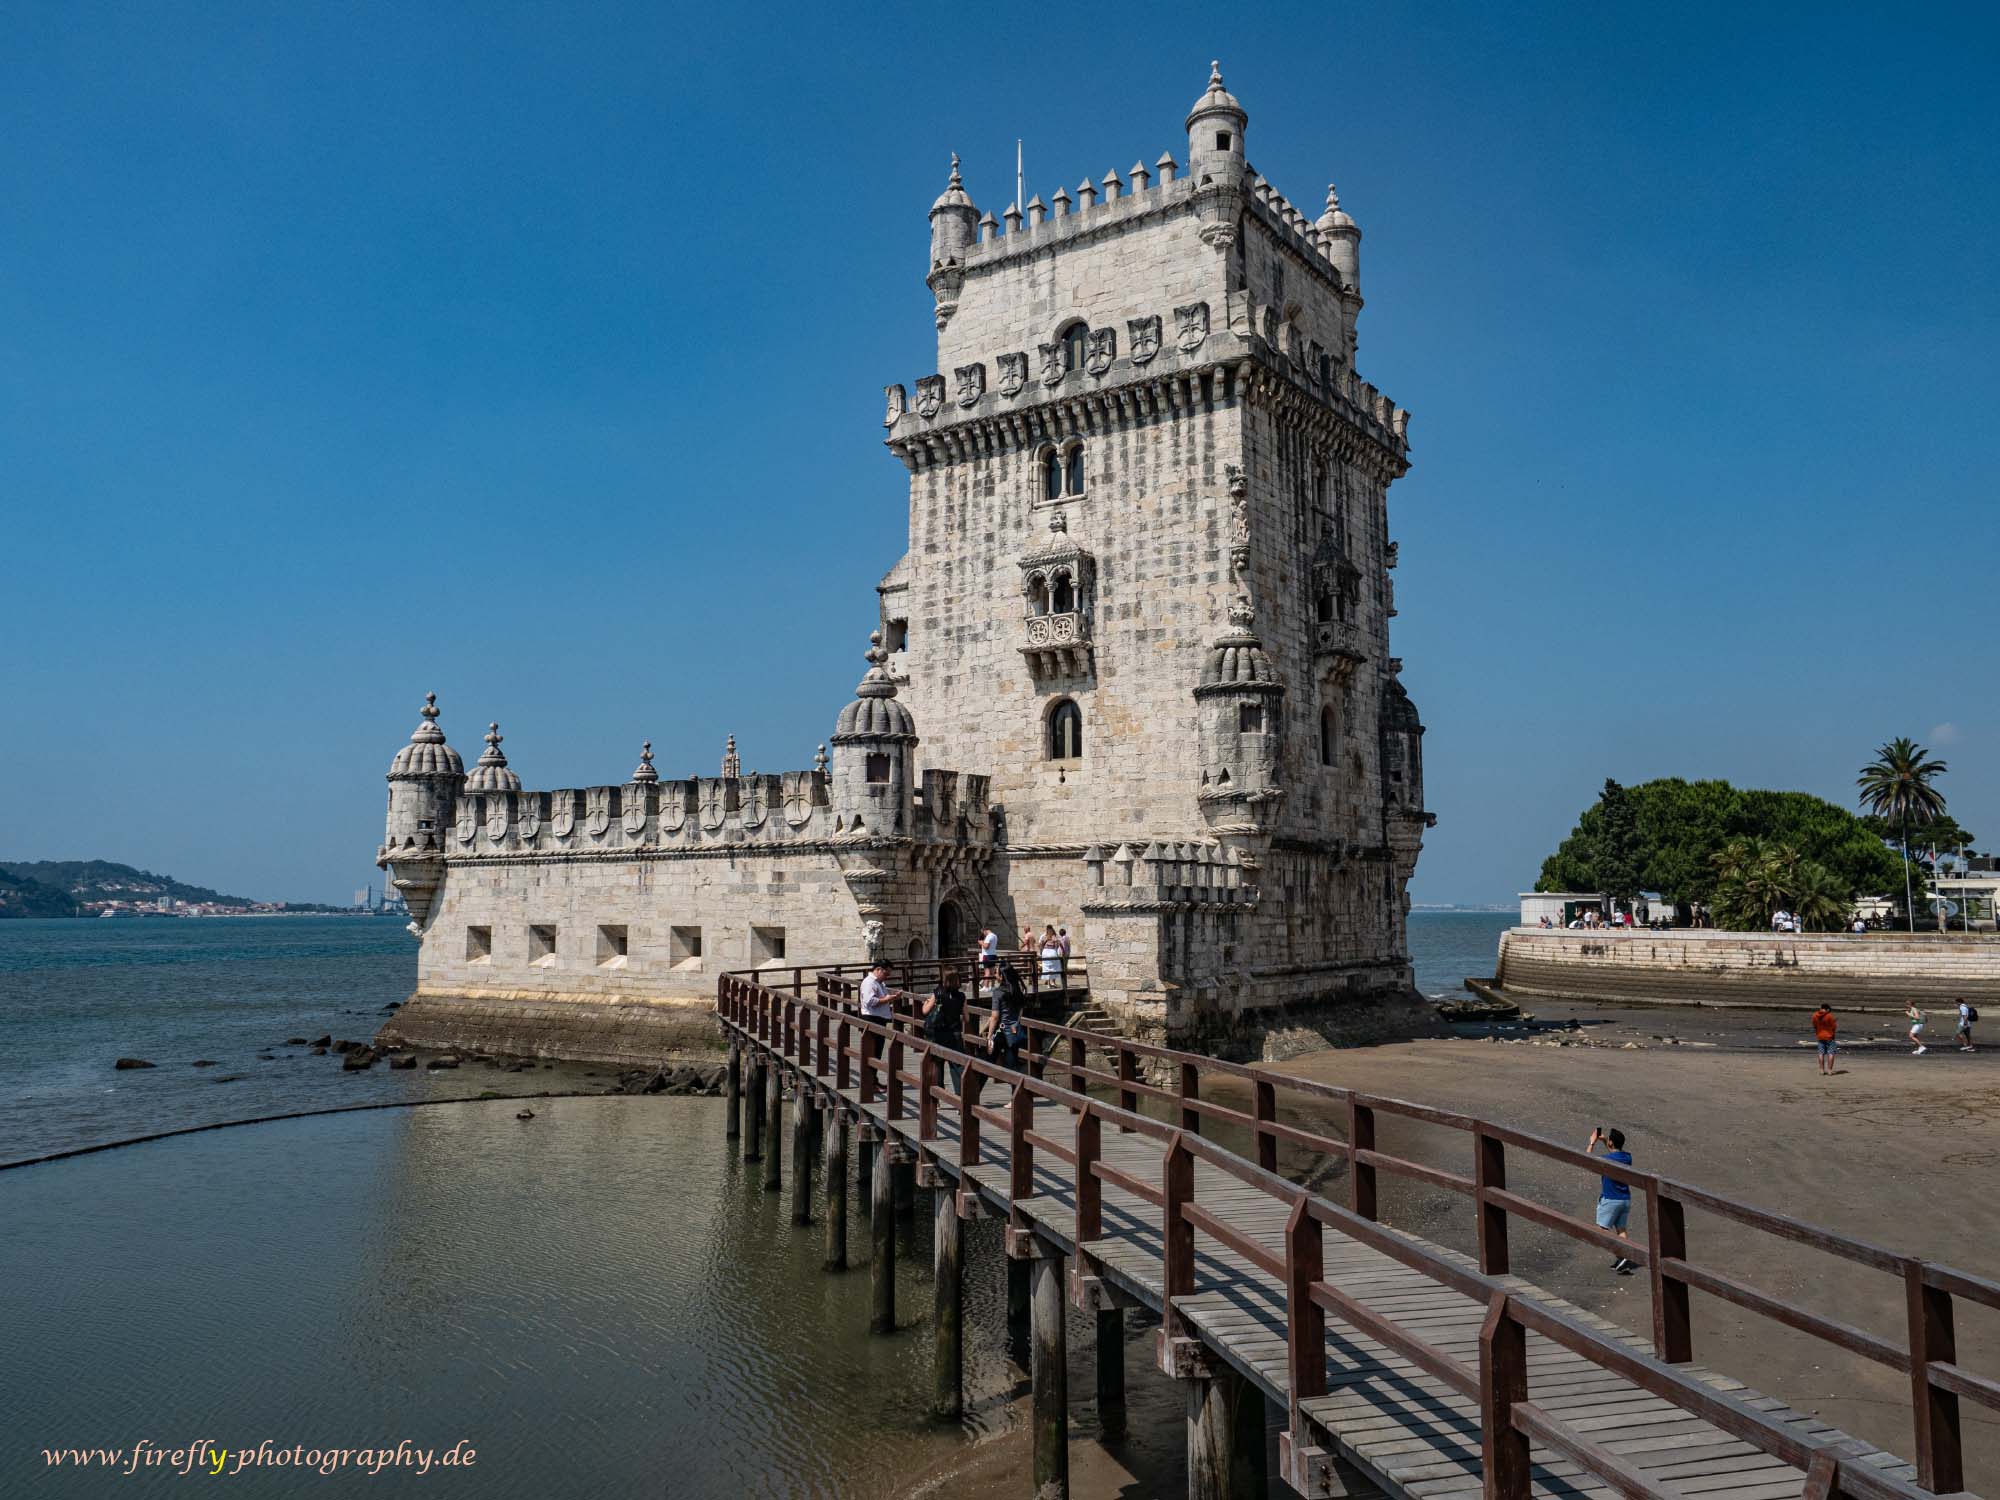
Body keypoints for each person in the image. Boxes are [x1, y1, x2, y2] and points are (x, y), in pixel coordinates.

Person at [1585, 1126, 1635, 1274]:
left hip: (1610, 1200)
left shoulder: (1607, 1159)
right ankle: (1623, 1259)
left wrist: (1592, 1143)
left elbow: (1588, 1160)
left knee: (1601, 1231)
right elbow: (1615, 1153)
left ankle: (1622, 1255)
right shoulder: (1627, 1157)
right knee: (1621, 1230)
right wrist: (1605, 1140)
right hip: (1625, 1199)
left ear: (1611, 1143)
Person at [921, 964, 967, 1091]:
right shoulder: (961, 996)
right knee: (957, 1066)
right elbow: (967, 1018)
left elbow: (925, 1011)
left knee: (937, 1063)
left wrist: (925, 1003)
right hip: (955, 1034)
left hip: (939, 1034)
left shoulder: (938, 993)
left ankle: (938, 1094)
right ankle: (960, 1097)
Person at [988, 964, 1028, 1073]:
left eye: (996, 973)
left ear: (1002, 976)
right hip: (1014, 1031)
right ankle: (1016, 1087)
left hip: (1001, 1032)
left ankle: (974, 1087)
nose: (995, 975)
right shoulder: (1017, 990)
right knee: (1012, 1065)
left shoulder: (998, 992)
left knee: (988, 1061)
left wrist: (989, 1036)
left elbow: (995, 1017)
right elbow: (1020, 1011)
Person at [1811, 1004, 1838, 1076]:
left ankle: (1822, 1070)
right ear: (1828, 1009)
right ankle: (1829, 1070)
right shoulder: (1829, 1015)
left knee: (1821, 1053)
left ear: (1821, 1008)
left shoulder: (1814, 1015)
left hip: (1820, 1036)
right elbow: (1834, 1027)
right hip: (1829, 1037)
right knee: (1831, 1053)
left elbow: (1814, 1025)